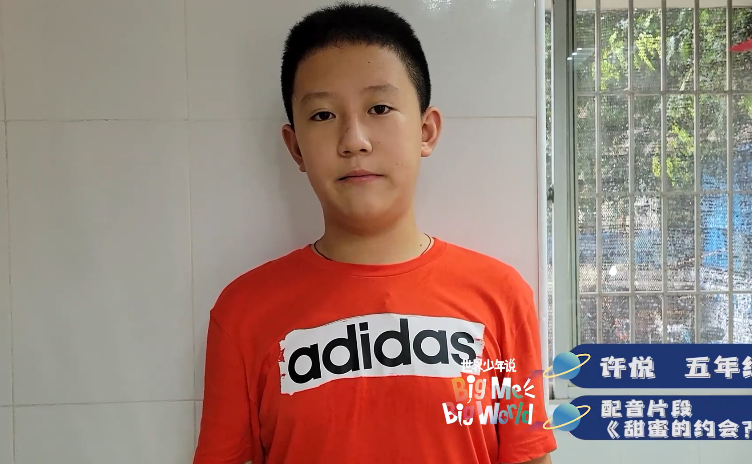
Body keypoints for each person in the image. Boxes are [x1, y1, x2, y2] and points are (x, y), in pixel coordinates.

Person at [193, 3, 557, 464]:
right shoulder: (243, 312)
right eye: (322, 115)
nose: (354, 140)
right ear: (295, 147)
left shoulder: (502, 298)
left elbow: (528, 455)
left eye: (379, 108)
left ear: (426, 131)